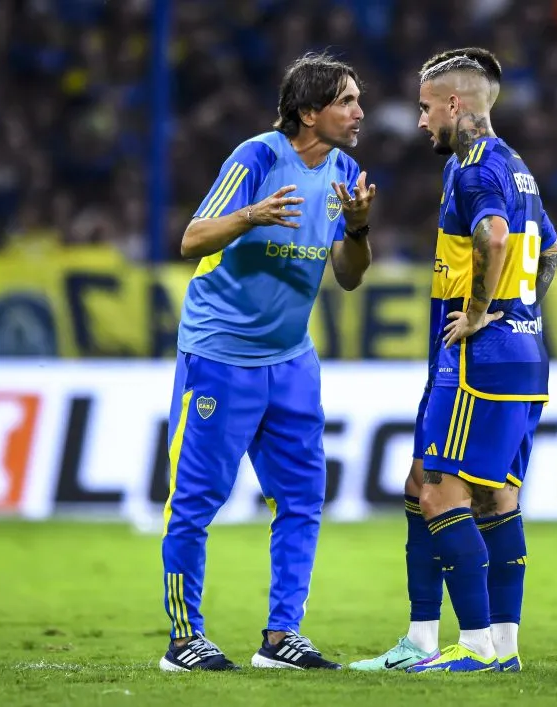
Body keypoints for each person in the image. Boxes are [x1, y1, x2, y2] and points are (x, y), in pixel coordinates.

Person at [158, 52, 375, 672]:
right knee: (196, 501)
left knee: (303, 498)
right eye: (345, 101)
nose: (359, 112)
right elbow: (192, 238)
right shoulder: (255, 158)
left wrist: (358, 229)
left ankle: (282, 637)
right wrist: (250, 214)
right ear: (308, 112)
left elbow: (350, 278)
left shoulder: (344, 171)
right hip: (221, 356)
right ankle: (183, 640)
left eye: (357, 100)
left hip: (291, 358)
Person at [350, 48, 557, 674]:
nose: (419, 122)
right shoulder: (517, 166)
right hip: (521, 354)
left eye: (424, 108)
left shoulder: (473, 169)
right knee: (450, 490)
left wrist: (478, 312)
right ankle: (476, 645)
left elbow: (494, 237)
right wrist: (519, 311)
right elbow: (549, 253)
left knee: (443, 497)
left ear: (454, 104)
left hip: (476, 362)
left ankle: (474, 648)